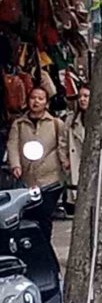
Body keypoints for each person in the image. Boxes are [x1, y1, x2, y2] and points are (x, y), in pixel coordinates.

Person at [7, 87, 68, 238]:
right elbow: (13, 145)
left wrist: (65, 164)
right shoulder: (19, 124)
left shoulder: (56, 124)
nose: (36, 102)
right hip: (27, 179)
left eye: (40, 99)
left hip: (50, 179)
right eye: (33, 98)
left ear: (46, 103)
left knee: (44, 215)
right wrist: (15, 165)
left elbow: (62, 146)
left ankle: (45, 244)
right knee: (29, 215)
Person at [65, 85, 89, 208]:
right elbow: (63, 142)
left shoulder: (101, 121)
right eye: (80, 96)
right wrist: (65, 160)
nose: (82, 99)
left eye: (86, 96)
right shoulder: (71, 120)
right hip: (75, 163)